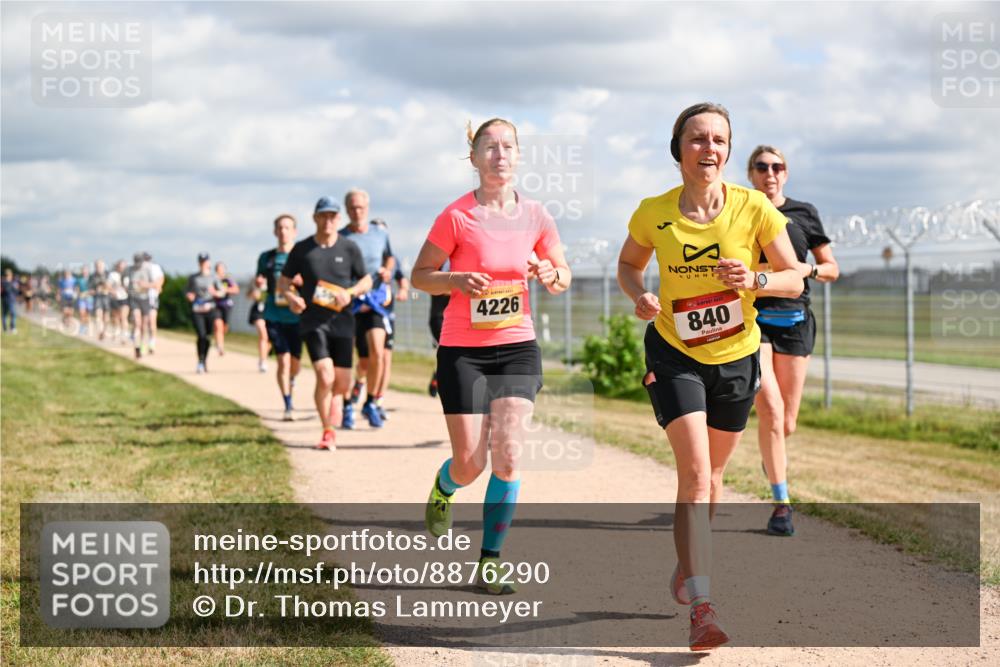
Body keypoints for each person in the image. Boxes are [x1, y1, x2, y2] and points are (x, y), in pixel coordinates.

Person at [616, 102, 809, 650]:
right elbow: (629, 266)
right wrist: (641, 295)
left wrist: (756, 277)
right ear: (678, 149)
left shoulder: (754, 209)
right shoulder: (653, 212)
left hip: (738, 356)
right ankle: (703, 607)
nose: (710, 149)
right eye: (698, 139)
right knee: (696, 476)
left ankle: (688, 565)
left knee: (715, 478)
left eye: (719, 140)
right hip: (676, 353)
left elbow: (795, 278)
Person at [411, 118, 570, 595]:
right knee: (470, 462)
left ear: (518, 156)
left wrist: (549, 272)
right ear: (475, 158)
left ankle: (490, 560)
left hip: (517, 345)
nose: (499, 154)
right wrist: (455, 281)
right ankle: (445, 486)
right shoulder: (456, 216)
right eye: (489, 147)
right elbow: (421, 275)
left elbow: (563, 277)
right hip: (463, 349)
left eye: (507, 147)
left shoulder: (537, 215)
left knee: (508, 455)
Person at [747, 145, 840, 537]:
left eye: (778, 166)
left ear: (786, 173)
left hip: (796, 322)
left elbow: (832, 268)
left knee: (787, 421)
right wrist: (772, 271)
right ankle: (781, 504)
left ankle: (773, 454)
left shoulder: (804, 213)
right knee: (769, 406)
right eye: (762, 166)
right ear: (750, 173)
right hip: (755, 320)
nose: (771, 172)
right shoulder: (743, 209)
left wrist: (808, 269)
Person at [278, 197, 370, 450]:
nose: (328, 220)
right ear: (315, 218)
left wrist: (349, 293)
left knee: (342, 383)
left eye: (333, 216)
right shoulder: (302, 249)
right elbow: (283, 282)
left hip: (342, 321)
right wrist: (291, 297)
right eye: (323, 216)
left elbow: (367, 280)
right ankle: (327, 430)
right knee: (325, 375)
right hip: (312, 321)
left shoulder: (349, 248)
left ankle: (338, 400)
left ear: (338, 219)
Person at [338, 188, 396, 429]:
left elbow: (389, 257)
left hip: (374, 301)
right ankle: (346, 405)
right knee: (350, 360)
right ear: (346, 210)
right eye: (351, 208)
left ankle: (371, 402)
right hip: (348, 303)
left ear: (367, 208)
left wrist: (387, 271)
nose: (356, 211)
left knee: (379, 353)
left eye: (360, 207)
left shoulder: (379, 234)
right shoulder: (340, 237)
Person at [256, 214, 303, 421]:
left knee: (295, 364)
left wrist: (302, 281)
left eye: (288, 228)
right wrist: (258, 285)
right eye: (280, 228)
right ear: (275, 232)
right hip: (274, 315)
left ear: (295, 232)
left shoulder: (302, 256)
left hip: (298, 317)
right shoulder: (267, 258)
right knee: (282, 361)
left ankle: (292, 382)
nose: (284, 231)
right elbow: (259, 281)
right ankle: (287, 403)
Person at [185, 253, 225, 373]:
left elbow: (222, 292)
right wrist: (189, 296)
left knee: (207, 336)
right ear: (199, 263)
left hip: (210, 308)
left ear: (209, 263)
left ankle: (204, 359)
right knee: (201, 335)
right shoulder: (193, 277)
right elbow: (187, 291)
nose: (203, 264)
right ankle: (200, 361)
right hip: (197, 309)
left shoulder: (214, 277)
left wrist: (215, 293)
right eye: (201, 261)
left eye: (205, 261)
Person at [126, 253, 154, 358]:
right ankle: (136, 346)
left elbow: (154, 284)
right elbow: (123, 279)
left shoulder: (147, 270)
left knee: (144, 325)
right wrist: (128, 289)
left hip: (145, 299)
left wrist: (144, 285)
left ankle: (142, 344)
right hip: (134, 298)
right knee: (137, 322)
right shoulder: (129, 270)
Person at [212, 261, 239, 356]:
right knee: (217, 324)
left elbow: (236, 290)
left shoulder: (228, 280)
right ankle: (220, 346)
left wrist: (225, 290)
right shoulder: (213, 280)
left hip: (226, 305)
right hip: (216, 305)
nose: (220, 271)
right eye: (218, 269)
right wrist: (215, 293)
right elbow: (209, 290)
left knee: (224, 327)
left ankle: (219, 339)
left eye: (222, 269)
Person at [246, 276, 270, 373]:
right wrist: (256, 289)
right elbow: (248, 295)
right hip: (258, 311)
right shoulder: (255, 281)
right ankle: (263, 361)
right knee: (263, 335)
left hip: (270, 312)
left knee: (269, 338)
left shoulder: (274, 280)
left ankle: (262, 357)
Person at [144, 252, 164, 353]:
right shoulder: (139, 270)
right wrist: (153, 285)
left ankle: (152, 343)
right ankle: (144, 342)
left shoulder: (155, 268)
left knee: (152, 321)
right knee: (144, 322)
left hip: (152, 298)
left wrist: (156, 285)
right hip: (142, 299)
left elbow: (160, 280)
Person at [107, 260, 131, 344]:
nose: (122, 268)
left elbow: (131, 288)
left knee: (123, 317)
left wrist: (127, 289)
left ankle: (124, 336)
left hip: (125, 298)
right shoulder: (113, 275)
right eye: (120, 267)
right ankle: (117, 330)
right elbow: (108, 286)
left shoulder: (128, 276)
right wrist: (113, 291)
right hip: (115, 299)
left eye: (124, 267)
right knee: (116, 318)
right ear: (117, 267)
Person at [90, 259, 111, 340]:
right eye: (97, 266)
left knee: (106, 317)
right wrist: (95, 290)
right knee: (98, 314)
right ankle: (100, 331)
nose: (98, 268)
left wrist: (105, 286)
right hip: (97, 297)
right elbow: (90, 289)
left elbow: (112, 287)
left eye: (100, 266)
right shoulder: (93, 276)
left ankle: (104, 331)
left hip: (107, 298)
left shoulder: (108, 274)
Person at [75, 264, 93, 336]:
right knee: (82, 313)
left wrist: (87, 293)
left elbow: (93, 290)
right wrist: (78, 294)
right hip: (81, 299)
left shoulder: (92, 279)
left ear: (88, 271)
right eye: (83, 270)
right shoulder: (79, 280)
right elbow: (77, 288)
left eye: (86, 270)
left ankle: (86, 326)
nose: (84, 271)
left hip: (89, 299)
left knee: (87, 315)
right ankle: (82, 327)